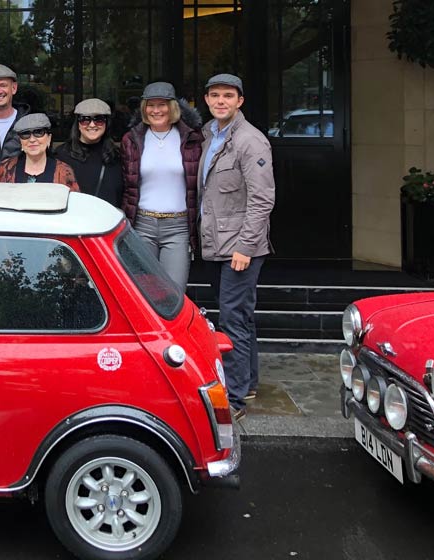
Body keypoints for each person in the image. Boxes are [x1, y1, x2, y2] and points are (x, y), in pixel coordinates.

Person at [198, 73, 275, 420]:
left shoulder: (250, 141)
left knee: (231, 321)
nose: (221, 102)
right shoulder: (208, 135)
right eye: (215, 96)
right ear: (206, 100)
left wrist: (244, 247)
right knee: (240, 316)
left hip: (239, 249)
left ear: (240, 101)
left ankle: (235, 398)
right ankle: (250, 381)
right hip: (217, 243)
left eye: (228, 96)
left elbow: (262, 200)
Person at [120, 82, 204, 293]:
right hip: (142, 225)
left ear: (173, 107)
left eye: (162, 105)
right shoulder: (131, 140)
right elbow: (126, 185)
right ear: (144, 109)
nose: (156, 110)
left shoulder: (191, 139)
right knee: (144, 294)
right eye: (151, 105)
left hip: (178, 227)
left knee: (174, 292)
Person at [54, 98, 123, 207]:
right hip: (75, 220)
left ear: (107, 123)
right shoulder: (62, 154)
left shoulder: (116, 155)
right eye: (85, 119)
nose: (92, 125)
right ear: (78, 123)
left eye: (98, 119)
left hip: (110, 220)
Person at [0, 113, 79, 191]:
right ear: (20, 141)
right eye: (25, 134)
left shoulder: (64, 171)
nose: (32, 140)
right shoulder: (5, 168)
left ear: (49, 138)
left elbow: (73, 204)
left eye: (38, 133)